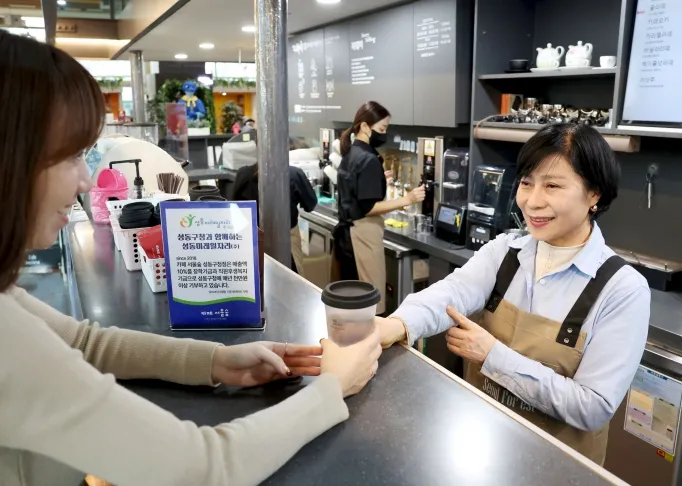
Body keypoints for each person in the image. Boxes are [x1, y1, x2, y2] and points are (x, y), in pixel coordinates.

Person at [0, 22, 382, 486]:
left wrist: (215, 361)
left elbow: (83, 344)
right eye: (70, 158)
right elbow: (201, 467)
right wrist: (332, 389)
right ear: (0, 164)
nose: (85, 182)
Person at [378, 123, 650, 465]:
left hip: (557, 470)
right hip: (484, 451)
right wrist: (395, 325)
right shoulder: (506, 251)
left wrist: (492, 354)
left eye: (552, 185)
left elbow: (592, 407)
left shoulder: (623, 290)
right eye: (526, 183)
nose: (532, 201)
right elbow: (453, 291)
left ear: (594, 194)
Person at [332, 101, 425, 315]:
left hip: (348, 233)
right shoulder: (369, 159)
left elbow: (355, 188)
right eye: (382, 129)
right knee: (369, 302)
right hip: (362, 233)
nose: (384, 134)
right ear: (365, 127)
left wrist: (377, 179)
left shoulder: (352, 153)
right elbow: (368, 207)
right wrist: (407, 199)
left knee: (352, 296)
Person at [231, 141, 318, 275]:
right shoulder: (294, 174)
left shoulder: (244, 173)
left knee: (257, 281)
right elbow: (310, 205)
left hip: (251, 241)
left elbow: (234, 209)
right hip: (287, 240)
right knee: (291, 281)